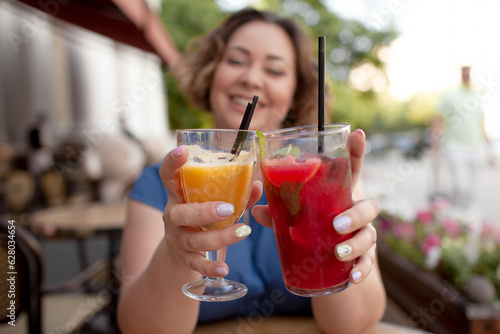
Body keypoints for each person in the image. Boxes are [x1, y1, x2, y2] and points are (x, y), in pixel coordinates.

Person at [117, 8, 385, 334]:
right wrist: (176, 254)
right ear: (211, 72)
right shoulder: (159, 184)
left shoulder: (326, 177)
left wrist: (344, 247)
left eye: (274, 69)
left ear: (296, 91)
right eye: (237, 61)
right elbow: (140, 329)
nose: (252, 78)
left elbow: (353, 326)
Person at [430, 66, 488, 209]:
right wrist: (435, 144)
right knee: (460, 187)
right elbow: (437, 118)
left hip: (476, 147)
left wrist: (489, 145)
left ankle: (469, 220)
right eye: (465, 69)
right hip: (455, 147)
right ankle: (457, 215)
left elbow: (481, 122)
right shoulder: (449, 94)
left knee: (471, 189)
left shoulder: (478, 95)